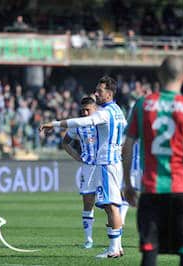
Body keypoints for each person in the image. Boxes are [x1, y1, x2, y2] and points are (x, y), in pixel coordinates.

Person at [122, 55, 183, 266]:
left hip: (151, 191)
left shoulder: (143, 105)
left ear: (159, 74)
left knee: (149, 253)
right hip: (182, 190)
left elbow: (127, 146)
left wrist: (127, 184)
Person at [40, 76, 127, 258]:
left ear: (109, 93)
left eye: (100, 91)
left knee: (111, 206)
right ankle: (117, 247)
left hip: (105, 162)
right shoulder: (118, 111)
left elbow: (83, 122)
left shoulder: (104, 113)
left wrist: (55, 124)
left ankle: (113, 249)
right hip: (114, 161)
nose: (96, 93)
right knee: (112, 206)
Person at [61, 96, 98, 249]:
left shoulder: (102, 121)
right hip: (88, 167)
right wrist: (77, 156)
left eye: (87, 110)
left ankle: (115, 242)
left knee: (111, 204)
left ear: (95, 109)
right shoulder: (77, 125)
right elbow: (65, 142)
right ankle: (88, 240)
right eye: (82, 110)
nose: (84, 112)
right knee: (88, 202)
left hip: (105, 166)